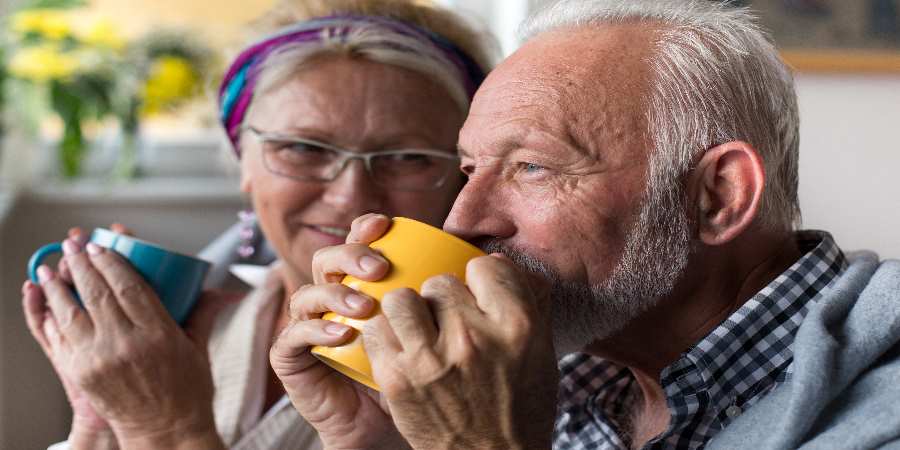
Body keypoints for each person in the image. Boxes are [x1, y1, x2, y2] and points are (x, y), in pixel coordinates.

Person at [271, 0, 900, 449]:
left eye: (532, 168)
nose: (463, 222)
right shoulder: (577, 386)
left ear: (719, 196)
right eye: (469, 171)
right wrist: (389, 442)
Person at [20, 0, 495, 449]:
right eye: (303, 148)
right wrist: (99, 420)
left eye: (406, 157)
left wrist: (162, 427)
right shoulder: (185, 333)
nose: (351, 195)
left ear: (459, 173)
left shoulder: (482, 373)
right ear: (241, 159)